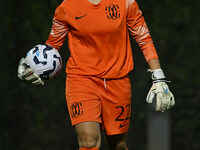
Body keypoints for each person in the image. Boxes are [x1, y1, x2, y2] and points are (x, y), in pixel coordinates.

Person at [17, 0, 175, 149]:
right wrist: (31, 64)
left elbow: (144, 38)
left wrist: (158, 76)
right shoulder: (66, 8)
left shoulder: (126, 2)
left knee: (117, 145)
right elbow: (52, 46)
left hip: (118, 82)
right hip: (81, 79)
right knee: (89, 140)